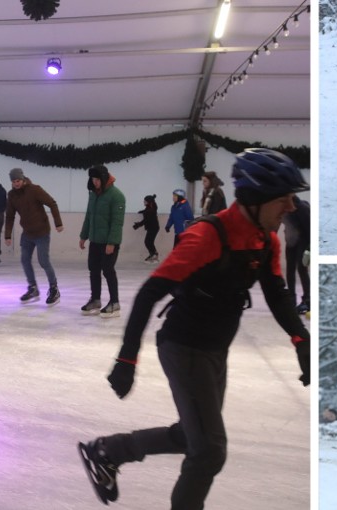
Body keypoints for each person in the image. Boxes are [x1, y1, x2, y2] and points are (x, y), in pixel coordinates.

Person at [77, 148, 311, 509]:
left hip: (215, 351)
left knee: (193, 435)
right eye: (285, 200)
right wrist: (127, 358)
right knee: (209, 452)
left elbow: (278, 295)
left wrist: (302, 340)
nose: (292, 208)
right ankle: (111, 451)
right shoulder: (208, 236)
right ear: (255, 199)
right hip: (183, 348)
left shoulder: (266, 240)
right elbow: (150, 293)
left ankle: (109, 450)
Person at [4, 167, 64, 305]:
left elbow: (52, 203)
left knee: (43, 261)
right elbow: (10, 216)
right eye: (13, 181)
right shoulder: (12, 195)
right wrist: (7, 235)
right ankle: (33, 288)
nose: (16, 183)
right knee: (25, 260)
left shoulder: (35, 190)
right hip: (27, 234)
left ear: (23, 179)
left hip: (42, 232)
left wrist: (58, 223)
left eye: (18, 180)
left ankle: (54, 288)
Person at [79, 165, 126, 318]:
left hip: (108, 242)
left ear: (104, 178)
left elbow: (117, 222)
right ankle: (96, 299)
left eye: (98, 179)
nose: (95, 182)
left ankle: (115, 302)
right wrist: (83, 235)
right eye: (93, 179)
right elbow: (88, 216)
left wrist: (112, 242)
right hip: (95, 240)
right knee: (93, 269)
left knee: (107, 270)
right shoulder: (93, 194)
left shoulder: (116, 195)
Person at [283, 196, 310, 314]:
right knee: (290, 270)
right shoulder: (283, 207)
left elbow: (310, 230)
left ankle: (308, 300)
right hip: (291, 240)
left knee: (302, 269)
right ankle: (291, 299)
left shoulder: (303, 209)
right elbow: (278, 223)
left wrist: (309, 249)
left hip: (304, 240)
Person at [132, 194, 160, 263]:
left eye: (145, 201)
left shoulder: (150, 209)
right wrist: (142, 212)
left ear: (149, 201)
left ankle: (154, 255)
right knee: (149, 242)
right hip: (153, 227)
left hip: (153, 228)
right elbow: (146, 213)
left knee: (148, 242)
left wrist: (138, 225)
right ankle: (154, 254)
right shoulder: (150, 207)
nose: (144, 202)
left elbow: (146, 220)